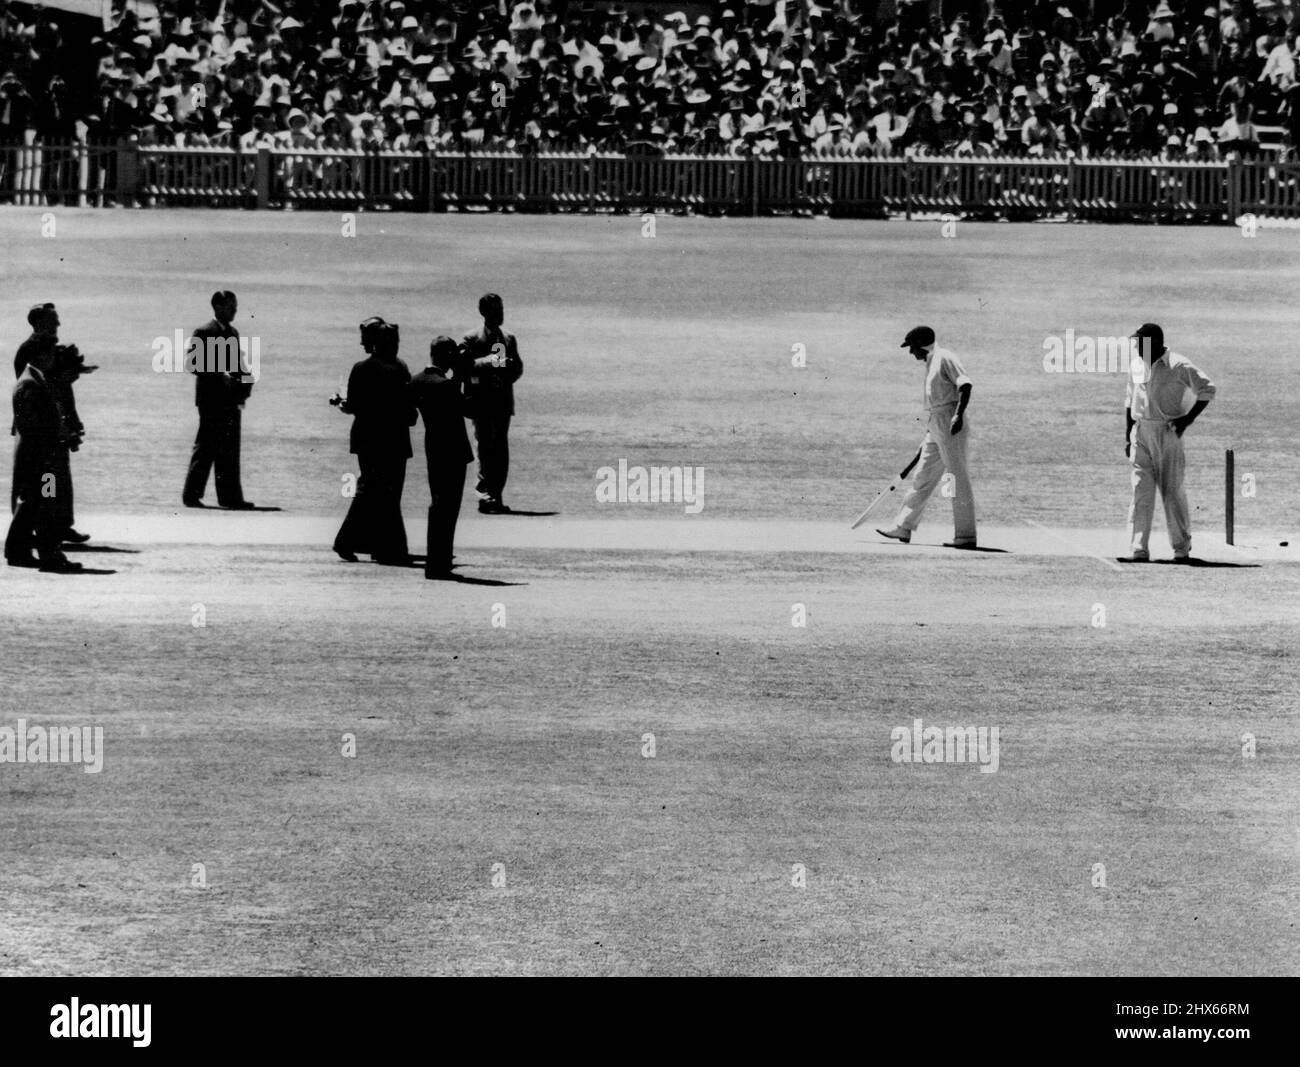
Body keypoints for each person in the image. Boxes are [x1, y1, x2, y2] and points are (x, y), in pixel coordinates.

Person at [877, 325, 978, 549]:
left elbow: (965, 384)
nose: (911, 353)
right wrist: (928, 436)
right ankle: (903, 526)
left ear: (922, 344)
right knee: (922, 475)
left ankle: (966, 536)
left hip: (951, 422)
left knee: (956, 479)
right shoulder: (931, 361)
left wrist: (958, 416)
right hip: (936, 424)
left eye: (912, 347)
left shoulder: (944, 357)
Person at [1123, 324, 1216, 563]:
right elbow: (1130, 400)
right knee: (1140, 492)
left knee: (1172, 492)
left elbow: (1207, 389)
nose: (1136, 346)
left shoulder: (1179, 365)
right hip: (1141, 432)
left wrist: (1187, 419)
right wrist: (1128, 435)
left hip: (1167, 432)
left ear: (1153, 342)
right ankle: (1138, 549)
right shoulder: (1137, 365)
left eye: (1140, 342)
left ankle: (1181, 550)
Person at [332, 317, 416, 564]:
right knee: (387, 493)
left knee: (370, 489)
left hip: (368, 439)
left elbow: (354, 406)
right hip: (395, 440)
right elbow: (408, 410)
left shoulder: (361, 368)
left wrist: (341, 404)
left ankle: (361, 542)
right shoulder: (400, 368)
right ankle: (383, 546)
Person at [14, 302, 92, 544]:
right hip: (42, 434)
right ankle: (44, 534)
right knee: (44, 486)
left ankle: (56, 527)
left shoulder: (45, 350)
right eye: (52, 319)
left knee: (57, 482)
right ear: (39, 323)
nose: (58, 324)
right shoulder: (30, 350)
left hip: (53, 428)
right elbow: (36, 389)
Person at [6, 339, 81, 572]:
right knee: (47, 504)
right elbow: (32, 426)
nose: (53, 360)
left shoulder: (34, 379)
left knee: (31, 503)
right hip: (43, 459)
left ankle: (17, 551)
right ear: (40, 356)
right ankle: (50, 555)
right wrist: (59, 436)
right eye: (49, 355)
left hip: (37, 456)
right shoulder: (31, 384)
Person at [182, 290, 256, 508]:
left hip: (230, 400)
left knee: (230, 449)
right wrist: (219, 376)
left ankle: (230, 497)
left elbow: (238, 364)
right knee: (206, 448)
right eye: (230, 306)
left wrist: (246, 383)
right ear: (218, 307)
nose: (235, 310)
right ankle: (191, 495)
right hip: (211, 400)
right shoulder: (204, 332)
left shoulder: (233, 332)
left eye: (235, 306)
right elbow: (192, 364)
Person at [410, 335, 475, 579]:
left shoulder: (417, 380)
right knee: (448, 508)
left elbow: (410, 415)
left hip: (433, 448)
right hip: (453, 451)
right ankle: (439, 562)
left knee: (438, 503)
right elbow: (470, 408)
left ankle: (437, 561)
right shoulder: (446, 385)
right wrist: (465, 375)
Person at [460, 293, 523, 513]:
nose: (501, 314)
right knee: (485, 448)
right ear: (485, 313)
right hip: (481, 402)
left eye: (501, 309)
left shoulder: (508, 338)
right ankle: (485, 496)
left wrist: (509, 371)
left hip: (502, 402)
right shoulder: (471, 338)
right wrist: (491, 363)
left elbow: (518, 368)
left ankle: (496, 495)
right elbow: (463, 367)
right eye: (496, 310)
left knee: (500, 451)